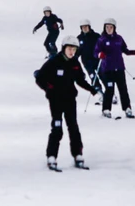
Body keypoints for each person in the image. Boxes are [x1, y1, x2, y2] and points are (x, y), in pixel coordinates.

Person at [35, 35, 94, 170]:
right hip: (56, 100)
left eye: (74, 49)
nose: (72, 52)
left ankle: (78, 155)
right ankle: (51, 156)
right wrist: (49, 89)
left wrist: (92, 89)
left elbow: (80, 80)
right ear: (63, 48)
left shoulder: (75, 64)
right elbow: (40, 78)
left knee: (73, 127)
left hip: (70, 100)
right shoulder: (54, 61)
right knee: (57, 128)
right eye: (69, 49)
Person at [95, 18, 135, 118]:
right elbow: (96, 52)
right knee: (109, 90)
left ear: (114, 28)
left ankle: (127, 108)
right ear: (104, 28)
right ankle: (106, 110)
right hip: (108, 69)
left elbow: (125, 50)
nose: (109, 29)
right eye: (107, 27)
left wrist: (133, 52)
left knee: (123, 89)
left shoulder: (119, 38)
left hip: (119, 68)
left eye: (111, 27)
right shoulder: (101, 39)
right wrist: (99, 54)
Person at [77, 20, 102, 92]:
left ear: (89, 27)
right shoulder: (79, 38)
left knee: (103, 76)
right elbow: (77, 51)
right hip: (87, 62)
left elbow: (102, 46)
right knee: (93, 77)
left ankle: (110, 94)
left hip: (97, 60)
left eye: (86, 26)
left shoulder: (96, 36)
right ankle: (99, 91)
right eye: (83, 27)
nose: (84, 28)